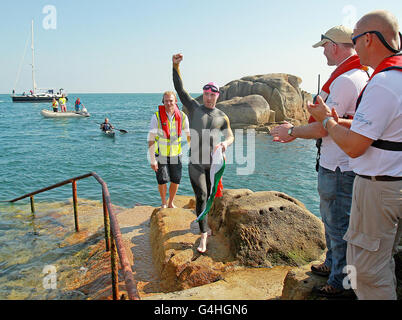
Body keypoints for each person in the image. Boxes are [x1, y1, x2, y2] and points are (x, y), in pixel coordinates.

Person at [307, 10, 402, 300]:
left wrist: (327, 121)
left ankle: (343, 283)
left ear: (369, 39)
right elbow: (379, 130)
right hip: (392, 182)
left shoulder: (383, 83)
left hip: (379, 186)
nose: (355, 45)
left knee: (369, 271)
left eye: (356, 40)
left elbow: (355, 145)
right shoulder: (393, 77)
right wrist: (341, 121)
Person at [270, 25, 369, 298]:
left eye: (324, 46)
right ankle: (331, 265)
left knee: (338, 226)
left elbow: (326, 126)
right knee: (331, 220)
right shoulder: (353, 75)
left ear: (334, 45)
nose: (323, 51)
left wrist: (291, 132)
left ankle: (339, 284)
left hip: (340, 168)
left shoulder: (347, 80)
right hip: (338, 165)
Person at [172, 53, 234, 254]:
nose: (209, 97)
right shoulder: (194, 108)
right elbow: (180, 90)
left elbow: (231, 136)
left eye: (212, 94)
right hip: (196, 163)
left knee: (211, 198)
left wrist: (225, 143)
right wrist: (175, 66)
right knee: (201, 195)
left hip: (213, 164)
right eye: (206, 94)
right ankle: (203, 236)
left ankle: (205, 223)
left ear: (217, 96)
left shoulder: (222, 116)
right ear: (203, 94)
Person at [148, 91, 190, 209]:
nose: (168, 103)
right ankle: (163, 202)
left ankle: (171, 202)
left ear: (175, 101)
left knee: (176, 180)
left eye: (171, 100)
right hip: (160, 154)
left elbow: (189, 135)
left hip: (176, 154)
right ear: (163, 102)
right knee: (162, 180)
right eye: (166, 100)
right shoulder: (156, 117)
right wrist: (152, 160)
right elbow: (151, 140)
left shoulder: (182, 116)